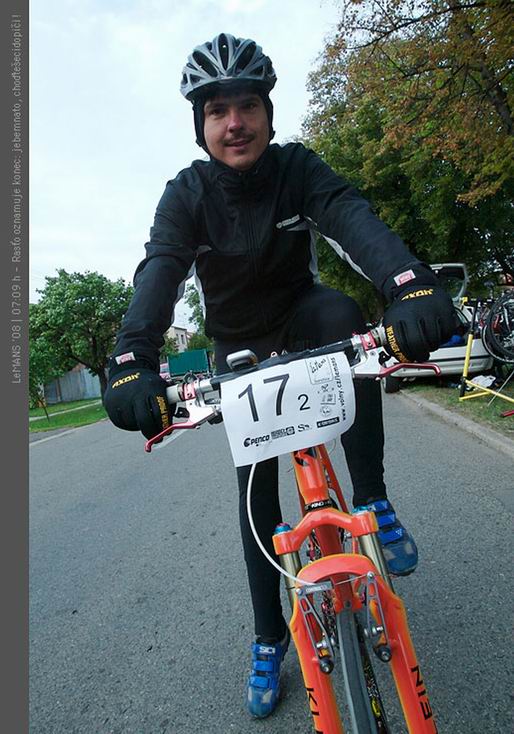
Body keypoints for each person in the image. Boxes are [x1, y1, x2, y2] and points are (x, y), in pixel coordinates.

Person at [104, 33, 457, 719]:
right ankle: (270, 638)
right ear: (201, 125)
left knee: (342, 316)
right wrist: (130, 360)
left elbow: (353, 219)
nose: (234, 123)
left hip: (306, 320)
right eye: (217, 110)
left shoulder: (298, 168)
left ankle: (374, 500)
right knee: (256, 493)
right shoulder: (187, 192)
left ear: (268, 114)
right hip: (238, 349)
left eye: (247, 106)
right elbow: (160, 270)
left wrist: (409, 285)